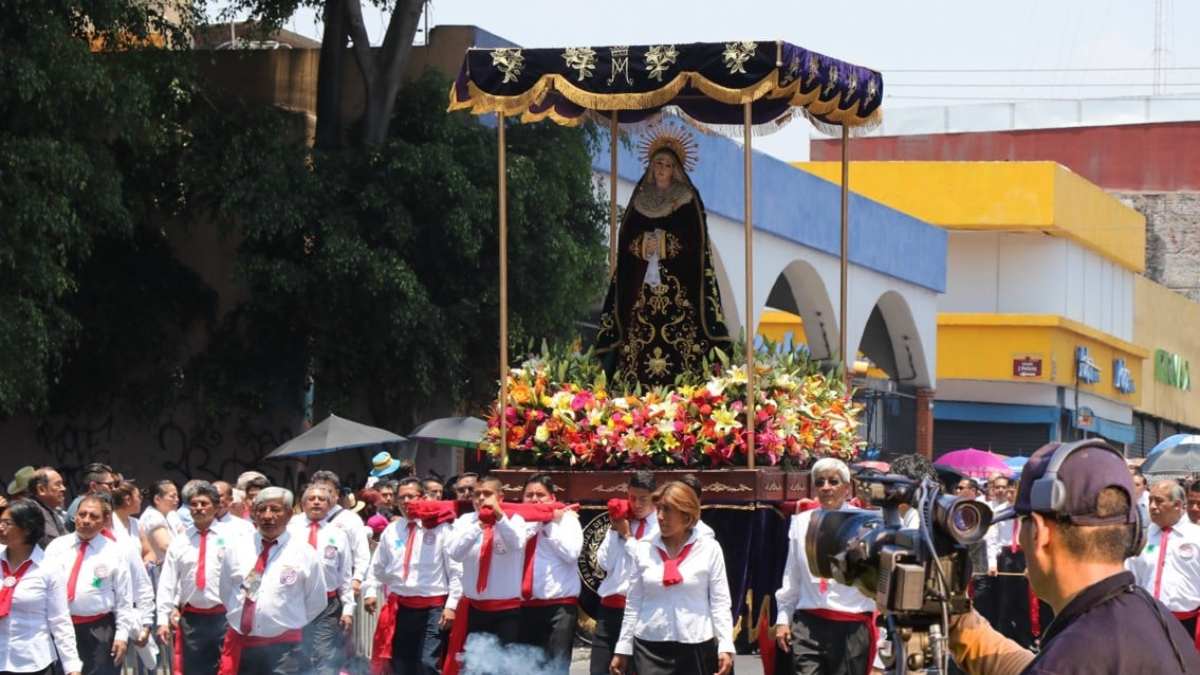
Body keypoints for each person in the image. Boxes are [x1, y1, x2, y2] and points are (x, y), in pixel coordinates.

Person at [946, 439, 1200, 674]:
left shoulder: (1070, 658)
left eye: (1022, 524)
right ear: (1135, 534)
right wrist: (961, 624)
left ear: (1040, 534)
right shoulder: (1151, 612)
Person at [593, 128, 731, 389]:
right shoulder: (640, 198)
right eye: (658, 163)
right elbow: (626, 241)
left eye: (667, 165)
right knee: (636, 340)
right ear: (651, 166)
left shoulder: (687, 198)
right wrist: (642, 245)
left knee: (681, 344)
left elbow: (696, 241)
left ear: (675, 168)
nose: (662, 169)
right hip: (642, 289)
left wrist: (667, 245)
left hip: (677, 291)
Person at [609, 481, 734, 675]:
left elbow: (720, 602)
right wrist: (623, 648)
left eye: (667, 510)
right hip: (649, 646)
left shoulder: (709, 548)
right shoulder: (643, 549)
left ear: (686, 515)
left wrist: (725, 645)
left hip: (696, 644)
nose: (659, 517)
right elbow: (633, 602)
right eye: (658, 509)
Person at [775, 458, 877, 675]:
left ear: (847, 488)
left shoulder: (865, 524)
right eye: (820, 482)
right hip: (808, 625)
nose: (826, 487)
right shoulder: (801, 522)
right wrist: (783, 618)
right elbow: (792, 576)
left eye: (833, 481)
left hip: (850, 627)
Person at [215, 487, 327, 675]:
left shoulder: (304, 553)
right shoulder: (236, 548)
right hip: (243, 645)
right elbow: (226, 592)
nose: (268, 516)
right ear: (253, 514)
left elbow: (316, 601)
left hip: (286, 647)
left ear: (289, 514)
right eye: (262, 510)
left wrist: (287, 620)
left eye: (275, 509)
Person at [364, 477, 461, 675]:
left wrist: (451, 607)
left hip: (433, 608)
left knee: (426, 664)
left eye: (412, 496)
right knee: (401, 662)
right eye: (402, 497)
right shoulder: (392, 530)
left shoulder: (441, 528)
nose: (406, 501)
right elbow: (377, 566)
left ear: (423, 498)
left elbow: (456, 570)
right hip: (401, 607)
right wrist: (370, 591)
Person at [444, 475, 528, 673]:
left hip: (507, 612)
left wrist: (499, 517)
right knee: (476, 668)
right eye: (477, 494)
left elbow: (516, 544)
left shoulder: (515, 520)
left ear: (500, 497)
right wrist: (478, 526)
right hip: (476, 610)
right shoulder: (465, 521)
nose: (481, 498)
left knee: (504, 668)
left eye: (487, 494)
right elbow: (454, 552)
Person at [44, 494, 136, 675]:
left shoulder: (114, 551)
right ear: (75, 516)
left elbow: (124, 598)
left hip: (99, 631)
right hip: (60, 629)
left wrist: (122, 635)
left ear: (105, 520)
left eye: (93, 516)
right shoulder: (56, 547)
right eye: (82, 514)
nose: (86, 520)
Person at [0, 498, 84, 675]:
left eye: (6, 523)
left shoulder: (48, 568)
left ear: (27, 528)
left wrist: (72, 666)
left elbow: (60, 620)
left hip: (32, 662)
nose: (1, 527)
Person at [156, 481, 229, 675]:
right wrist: (162, 618)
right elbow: (167, 581)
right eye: (194, 504)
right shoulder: (180, 541)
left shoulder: (233, 537)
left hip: (225, 617)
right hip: (192, 620)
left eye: (204, 503)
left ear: (215, 506)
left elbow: (247, 575)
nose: (198, 508)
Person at [591, 470, 658, 675]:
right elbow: (603, 563)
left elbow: (645, 563)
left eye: (643, 499)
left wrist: (628, 536)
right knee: (599, 669)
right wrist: (614, 530)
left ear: (655, 498)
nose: (636, 504)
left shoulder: (659, 527)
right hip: (610, 609)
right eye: (632, 497)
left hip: (641, 611)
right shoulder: (621, 522)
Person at [286, 484, 354, 675]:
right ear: (302, 503)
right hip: (295, 601)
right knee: (297, 653)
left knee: (325, 654)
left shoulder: (338, 534)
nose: (316, 502)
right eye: (311, 498)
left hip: (328, 604)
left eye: (322, 499)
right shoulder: (289, 530)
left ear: (331, 503)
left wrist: (348, 608)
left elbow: (345, 575)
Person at [518, 474, 583, 673]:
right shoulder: (517, 522)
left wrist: (548, 525)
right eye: (529, 495)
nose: (535, 499)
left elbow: (571, 554)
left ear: (552, 497)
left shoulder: (567, 520)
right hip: (524, 607)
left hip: (559, 607)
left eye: (540, 494)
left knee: (555, 668)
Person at [1126, 479, 1200, 648]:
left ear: (1177, 505)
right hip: (1148, 619)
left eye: (1159, 501)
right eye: (1150, 500)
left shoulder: (1196, 537)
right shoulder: (1142, 538)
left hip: (1187, 623)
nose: (1152, 506)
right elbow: (1132, 576)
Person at [310, 470, 370, 597]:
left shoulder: (350, 519)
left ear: (337, 493)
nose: (322, 496)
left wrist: (357, 579)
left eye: (328, 491)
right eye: (318, 490)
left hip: (340, 588)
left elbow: (362, 553)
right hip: (308, 589)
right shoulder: (301, 520)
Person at [140, 480, 181, 564]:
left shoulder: (172, 514)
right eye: (172, 496)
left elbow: (185, 536)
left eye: (177, 496)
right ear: (157, 499)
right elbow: (165, 546)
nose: (177, 499)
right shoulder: (151, 516)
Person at [28, 467, 68, 548]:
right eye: (58, 484)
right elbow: (55, 545)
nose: (64, 488)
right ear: (41, 489)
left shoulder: (48, 508)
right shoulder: (33, 512)